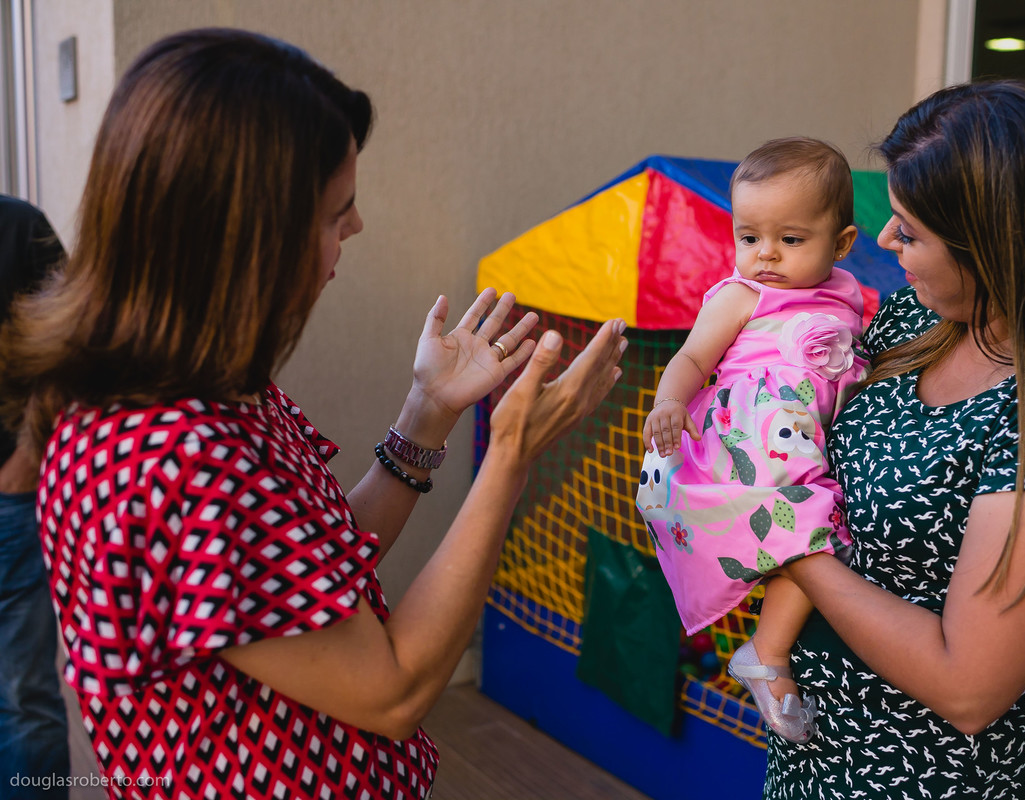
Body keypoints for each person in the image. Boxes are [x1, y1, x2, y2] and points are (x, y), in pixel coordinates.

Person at [0, 28, 626, 800]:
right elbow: (392, 690)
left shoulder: (212, 386)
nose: (354, 230)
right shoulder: (165, 451)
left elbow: (305, 574)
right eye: (337, 214)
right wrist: (509, 455)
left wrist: (426, 414)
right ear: (246, 240)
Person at [761, 79, 1025, 798]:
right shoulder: (909, 325)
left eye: (910, 230)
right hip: (814, 750)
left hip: (922, 777)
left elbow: (969, 687)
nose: (886, 241)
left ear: (996, 243)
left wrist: (787, 543)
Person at [635, 138, 868, 744]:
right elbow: (692, 356)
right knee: (812, 529)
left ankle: (766, 649)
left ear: (841, 243)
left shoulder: (847, 296)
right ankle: (767, 651)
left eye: (790, 239)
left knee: (820, 534)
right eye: (748, 237)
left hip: (804, 447)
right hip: (749, 444)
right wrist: (668, 402)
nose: (765, 254)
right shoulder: (744, 294)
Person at [0, 196, 69, 800]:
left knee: (23, 696)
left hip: (9, 506)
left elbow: (75, 344)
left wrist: (25, 463)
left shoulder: (19, 228)